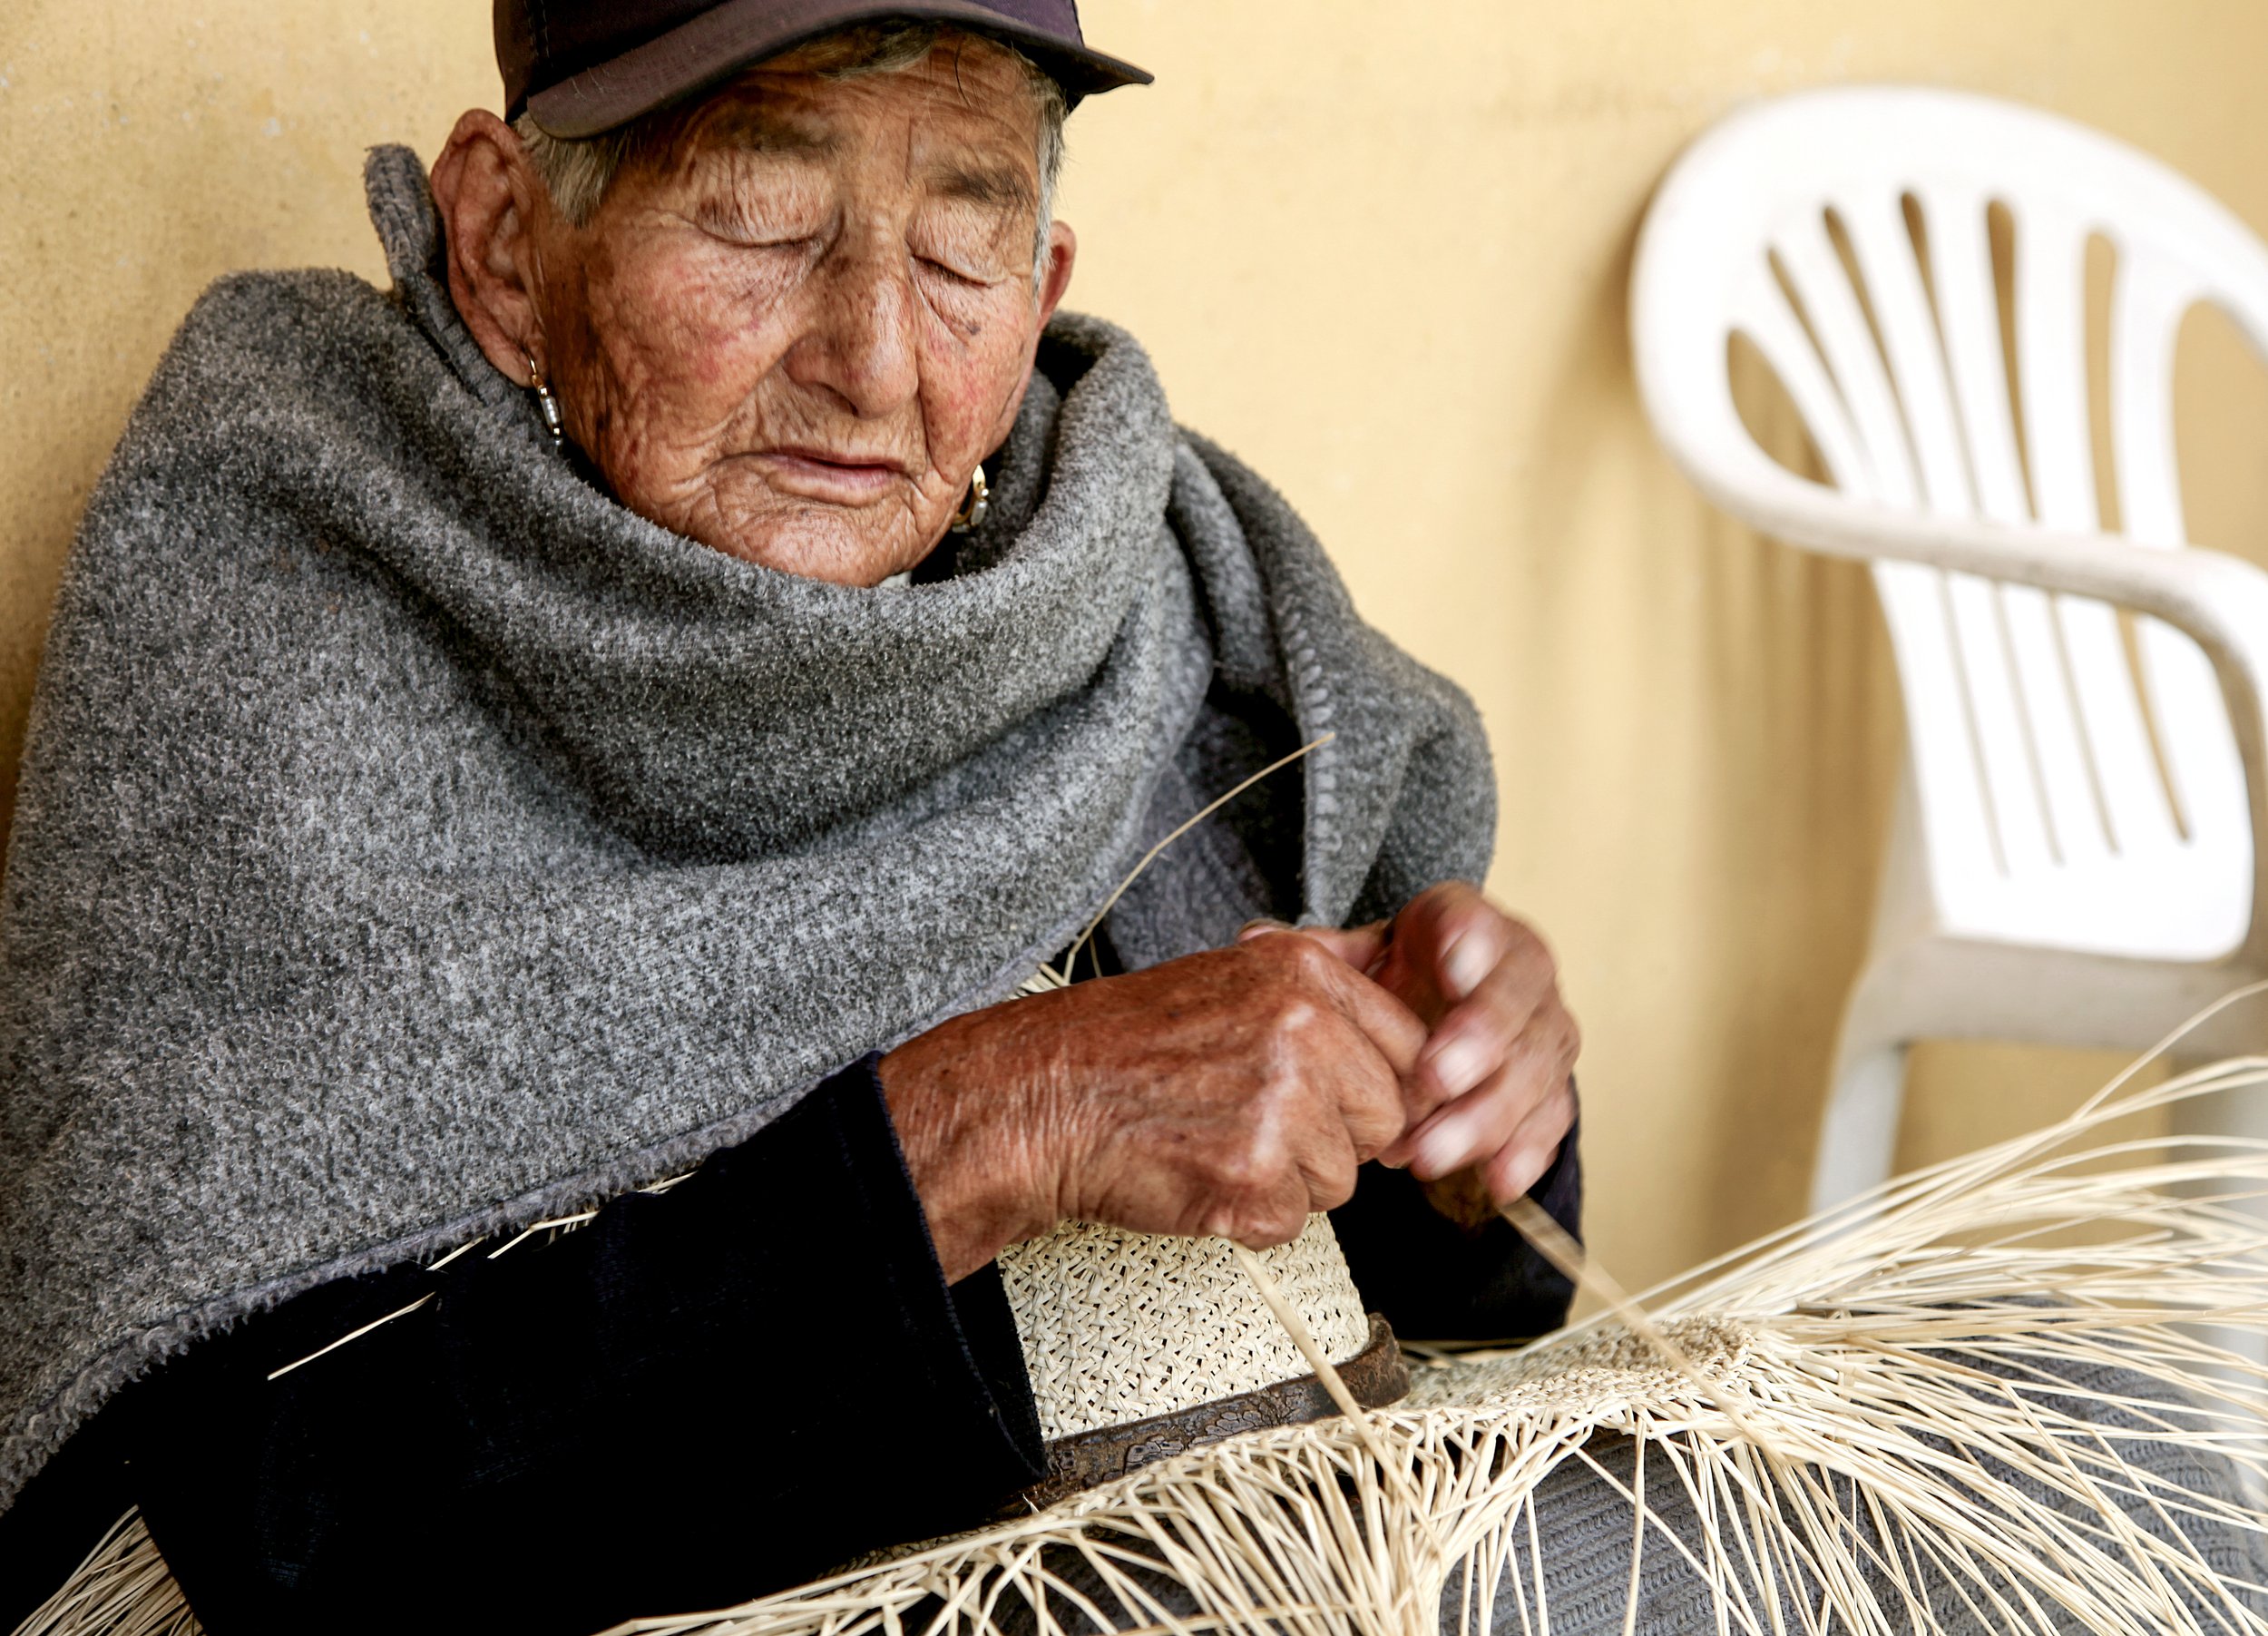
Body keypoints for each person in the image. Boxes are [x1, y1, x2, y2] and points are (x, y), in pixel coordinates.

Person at [0, 5, 1581, 1632]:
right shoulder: (291, 592)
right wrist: (994, 1124)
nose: (873, 359)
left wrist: (1459, 1123)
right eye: (757, 218)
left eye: (964, 249)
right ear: (500, 241)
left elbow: (1440, 1308)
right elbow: (251, 1531)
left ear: (1041, 295)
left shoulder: (1136, 589)